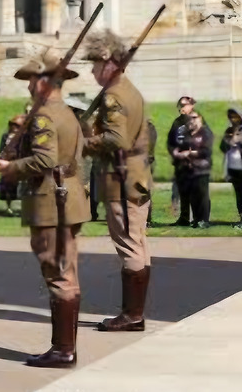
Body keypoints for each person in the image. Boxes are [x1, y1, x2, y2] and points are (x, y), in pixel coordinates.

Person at [0, 49, 88, 368]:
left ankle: (63, 349)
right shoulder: (68, 112)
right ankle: (65, 346)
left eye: (32, 80)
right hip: (68, 195)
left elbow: (45, 160)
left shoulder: (44, 114)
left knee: (57, 272)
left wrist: (11, 167)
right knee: (66, 272)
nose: (29, 86)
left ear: (44, 81)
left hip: (51, 199)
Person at [82, 30, 152, 335]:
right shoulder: (130, 90)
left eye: (96, 64)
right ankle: (134, 312)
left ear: (110, 63)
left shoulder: (114, 95)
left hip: (121, 177)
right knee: (137, 244)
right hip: (135, 175)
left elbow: (117, 139)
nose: (92, 70)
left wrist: (84, 142)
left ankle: (132, 315)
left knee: (129, 246)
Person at [173, 113, 212, 228]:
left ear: (200, 120)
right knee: (193, 196)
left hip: (202, 168)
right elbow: (180, 147)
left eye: (195, 118)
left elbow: (206, 151)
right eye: (190, 119)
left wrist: (190, 153)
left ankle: (204, 219)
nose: (192, 121)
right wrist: (178, 153)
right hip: (189, 169)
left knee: (202, 195)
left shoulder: (205, 133)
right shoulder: (186, 134)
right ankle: (196, 219)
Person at [166, 97, 196, 226]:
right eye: (180, 105)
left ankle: (198, 219)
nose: (181, 107)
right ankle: (184, 218)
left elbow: (202, 140)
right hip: (179, 162)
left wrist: (191, 153)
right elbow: (170, 141)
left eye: (184, 105)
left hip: (193, 162)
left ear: (191, 106)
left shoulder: (196, 120)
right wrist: (174, 153)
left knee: (195, 192)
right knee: (182, 191)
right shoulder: (177, 122)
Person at [0, 116, 24, 217]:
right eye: (13, 124)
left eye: (17, 125)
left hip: (18, 162)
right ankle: (8, 207)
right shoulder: (5, 136)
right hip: (7, 163)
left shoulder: (23, 136)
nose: (15, 127)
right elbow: (1, 149)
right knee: (7, 186)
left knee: (21, 186)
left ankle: (22, 209)